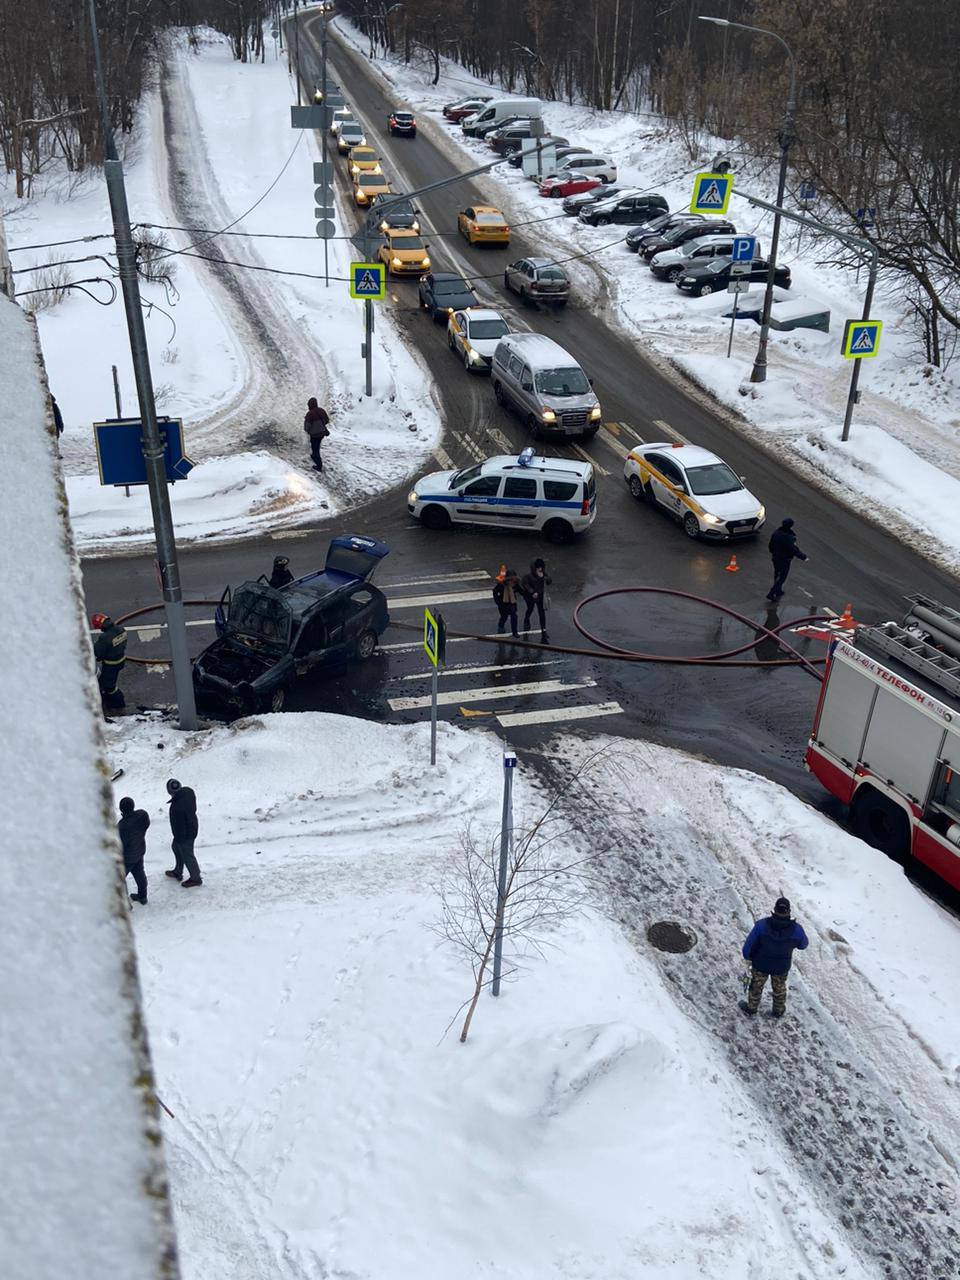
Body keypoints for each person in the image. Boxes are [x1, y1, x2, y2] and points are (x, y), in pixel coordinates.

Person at [740, 897, 809, 1018]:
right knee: (779, 988)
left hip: (760, 964)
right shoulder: (797, 930)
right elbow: (803, 945)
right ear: (789, 911)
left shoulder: (761, 925)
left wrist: (748, 957)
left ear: (775, 909)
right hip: (781, 967)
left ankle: (751, 1008)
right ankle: (778, 1011)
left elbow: (748, 946)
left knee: (756, 987)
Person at [164, 778, 202, 887]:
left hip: (185, 834)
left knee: (187, 855)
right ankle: (178, 871)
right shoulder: (188, 793)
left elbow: (180, 826)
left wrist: (180, 839)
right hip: (191, 827)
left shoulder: (176, 807)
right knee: (176, 847)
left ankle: (196, 878)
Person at [91, 613, 128, 711]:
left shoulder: (104, 637)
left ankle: (118, 703)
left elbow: (98, 652)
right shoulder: (121, 629)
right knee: (104, 681)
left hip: (111, 665)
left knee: (109, 686)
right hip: (121, 660)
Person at [117, 796, 150, 905]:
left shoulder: (122, 827)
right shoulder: (142, 815)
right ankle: (143, 896)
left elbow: (120, 845)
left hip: (127, 858)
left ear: (121, 809)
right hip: (139, 851)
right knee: (140, 874)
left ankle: (125, 904)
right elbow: (146, 825)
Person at [766, 517, 808, 602]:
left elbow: (770, 545)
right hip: (785, 559)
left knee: (777, 574)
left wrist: (773, 552)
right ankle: (772, 592)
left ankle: (778, 590)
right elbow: (793, 549)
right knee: (782, 576)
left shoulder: (776, 533)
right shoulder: (789, 537)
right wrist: (803, 557)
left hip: (775, 557)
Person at [521, 558, 552, 643]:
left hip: (540, 595)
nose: (540, 569)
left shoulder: (543, 573)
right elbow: (525, 583)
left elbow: (549, 581)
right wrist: (532, 592)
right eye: (538, 568)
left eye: (541, 567)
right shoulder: (529, 575)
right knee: (530, 609)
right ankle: (526, 619)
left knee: (541, 613)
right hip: (530, 596)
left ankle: (543, 630)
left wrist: (546, 578)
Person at [303, 396, 330, 471]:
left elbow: (307, 426)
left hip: (314, 434)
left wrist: (308, 430)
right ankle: (314, 457)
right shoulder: (322, 410)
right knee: (316, 446)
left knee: (315, 449)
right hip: (322, 433)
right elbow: (327, 420)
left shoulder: (309, 414)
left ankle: (319, 466)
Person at [493, 567, 521, 638]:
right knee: (504, 616)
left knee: (514, 616)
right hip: (503, 604)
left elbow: (521, 591)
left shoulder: (515, 585)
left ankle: (515, 632)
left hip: (512, 603)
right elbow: (495, 591)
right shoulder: (501, 585)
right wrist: (497, 602)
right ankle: (501, 625)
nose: (512, 581)